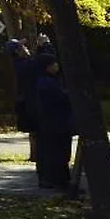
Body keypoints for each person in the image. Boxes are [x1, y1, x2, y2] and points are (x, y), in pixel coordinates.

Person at [32, 53, 74, 189]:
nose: (56, 65)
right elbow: (58, 100)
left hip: (50, 122)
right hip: (55, 122)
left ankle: (54, 179)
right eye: (53, 64)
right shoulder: (46, 82)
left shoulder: (45, 80)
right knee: (58, 152)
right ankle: (58, 180)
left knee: (52, 151)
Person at [7, 39, 39, 161]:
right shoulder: (23, 65)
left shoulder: (21, 64)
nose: (26, 48)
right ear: (18, 51)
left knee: (35, 131)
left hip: (28, 102)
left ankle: (36, 155)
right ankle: (37, 155)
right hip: (30, 103)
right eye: (23, 47)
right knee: (36, 130)